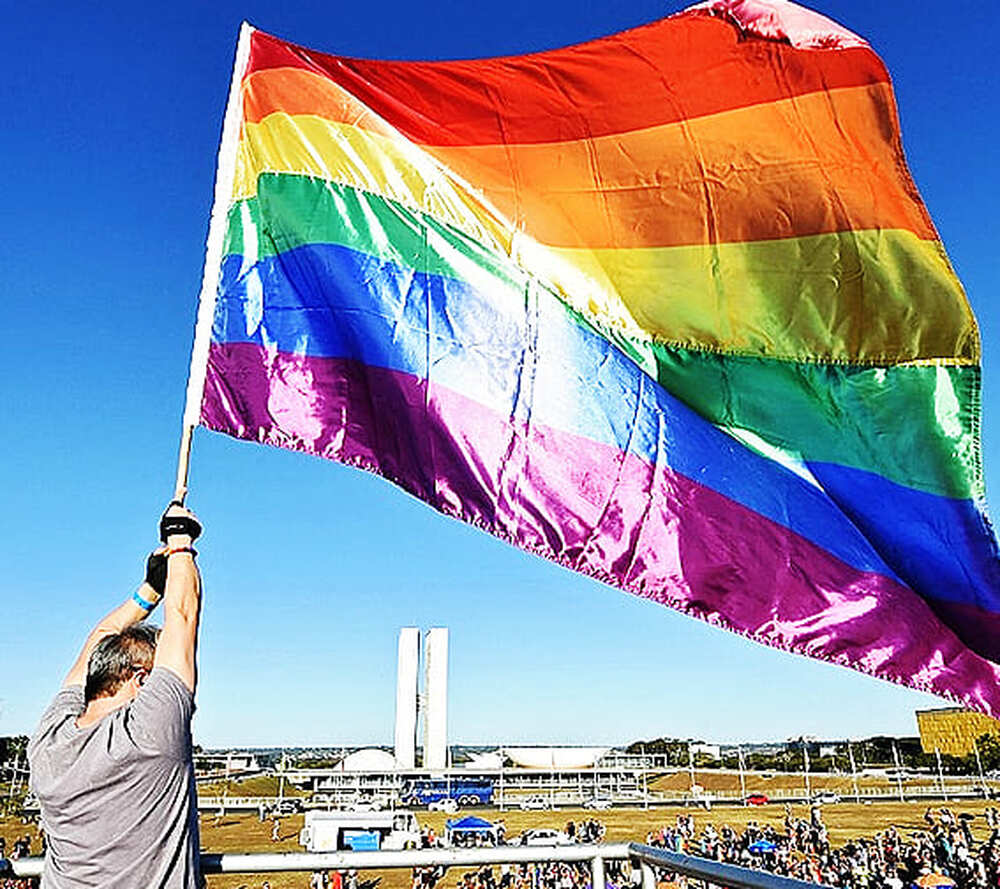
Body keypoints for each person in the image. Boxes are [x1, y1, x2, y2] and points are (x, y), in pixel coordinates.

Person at [27, 501, 204, 888]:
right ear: (141, 679)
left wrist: (148, 592)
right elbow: (184, 615)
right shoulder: (149, 733)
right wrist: (180, 541)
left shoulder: (48, 739)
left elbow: (98, 641)